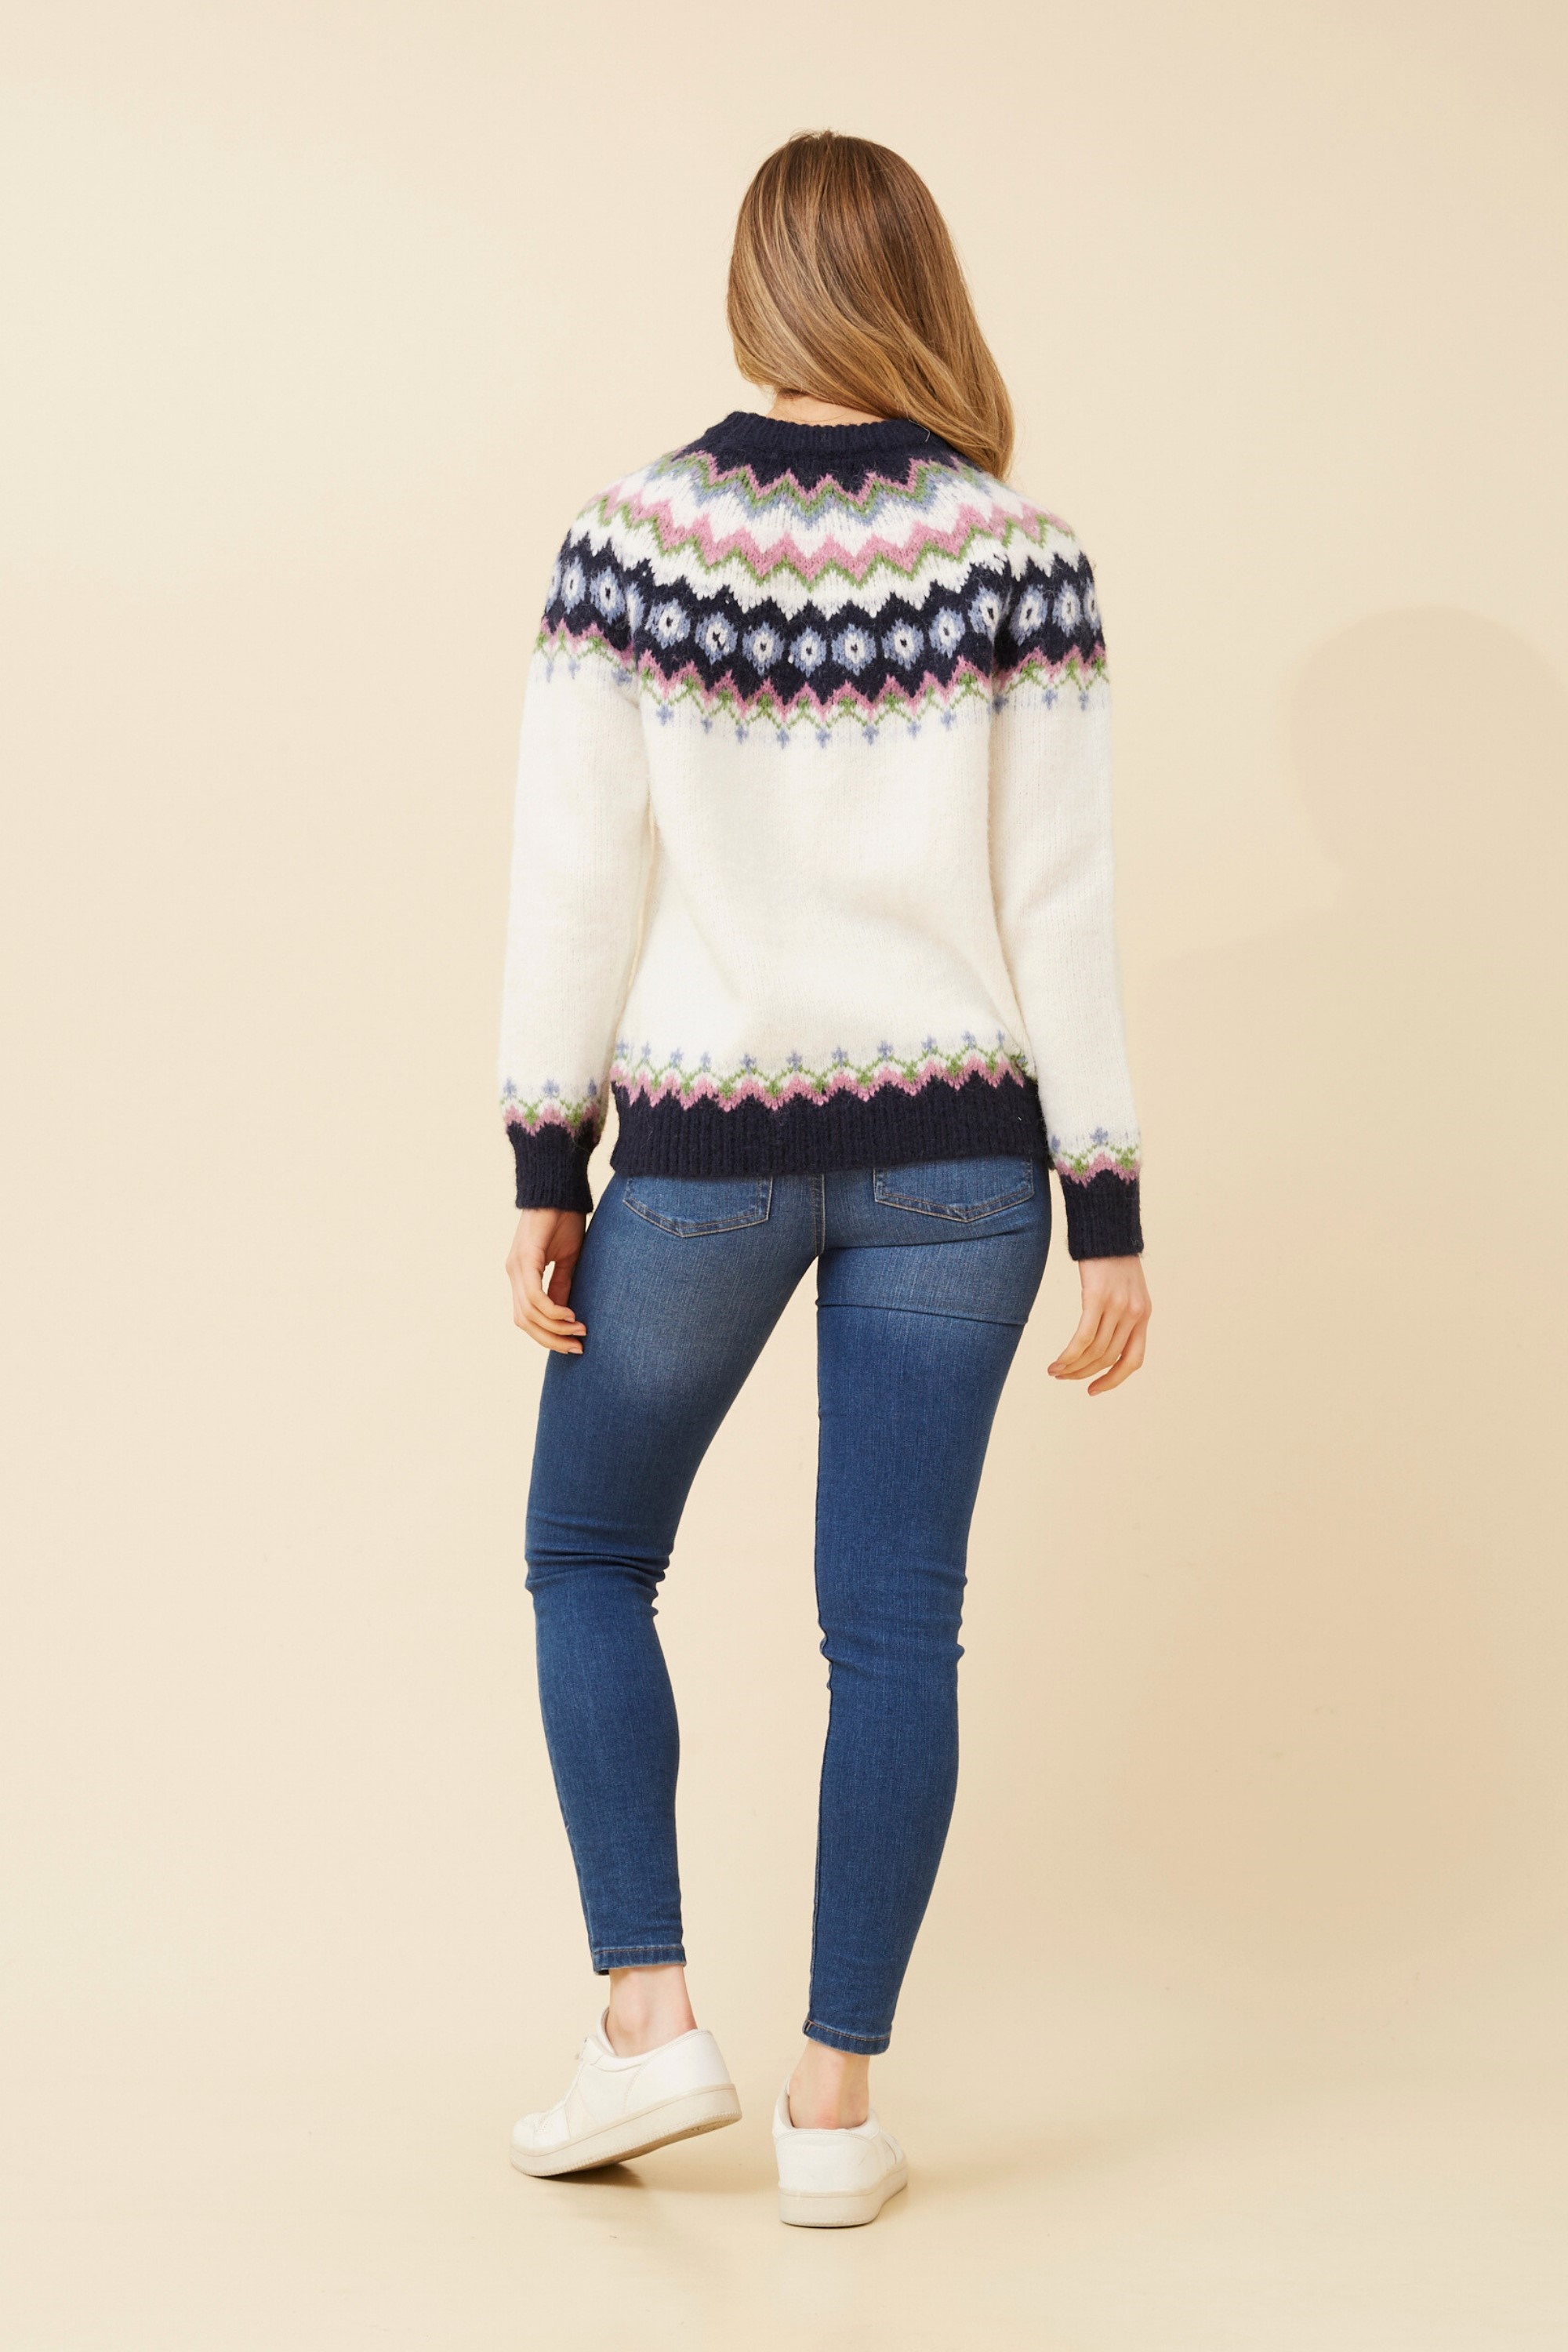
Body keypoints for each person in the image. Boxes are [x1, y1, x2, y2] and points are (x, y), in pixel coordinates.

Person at [498, 129, 1151, 2228]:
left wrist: (544, 1154)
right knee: (897, 1633)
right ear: (917, 282)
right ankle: (836, 2112)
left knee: (588, 1555)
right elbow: (1061, 902)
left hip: (701, 1154)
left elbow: (575, 879)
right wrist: (1109, 1205)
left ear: (754, 287)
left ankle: (647, 2022)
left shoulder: (631, 541)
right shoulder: (1019, 552)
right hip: (970, 1166)